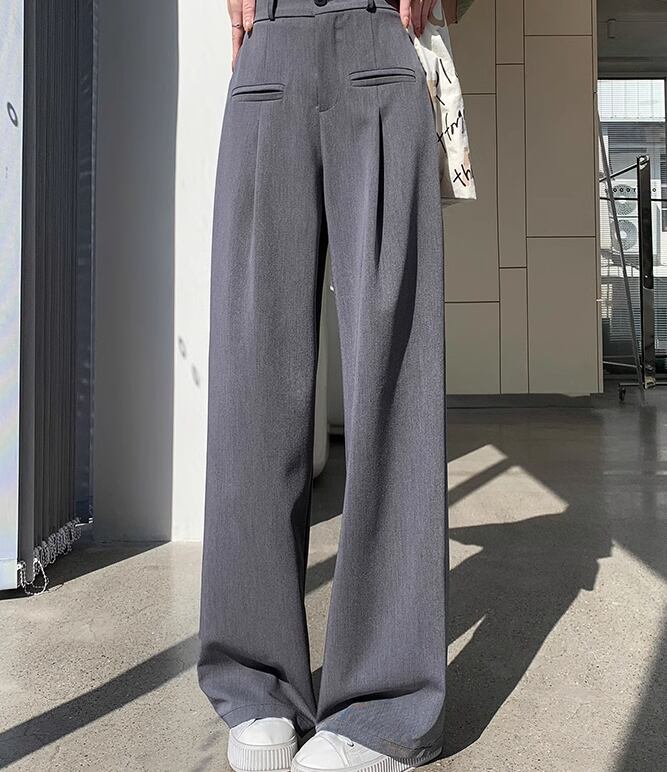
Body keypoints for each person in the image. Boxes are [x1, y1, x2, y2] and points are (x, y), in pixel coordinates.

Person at [197, 0, 449, 770]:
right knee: (251, 378)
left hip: (380, 36)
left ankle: (384, 705)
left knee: (394, 381)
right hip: (268, 45)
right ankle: (254, 681)